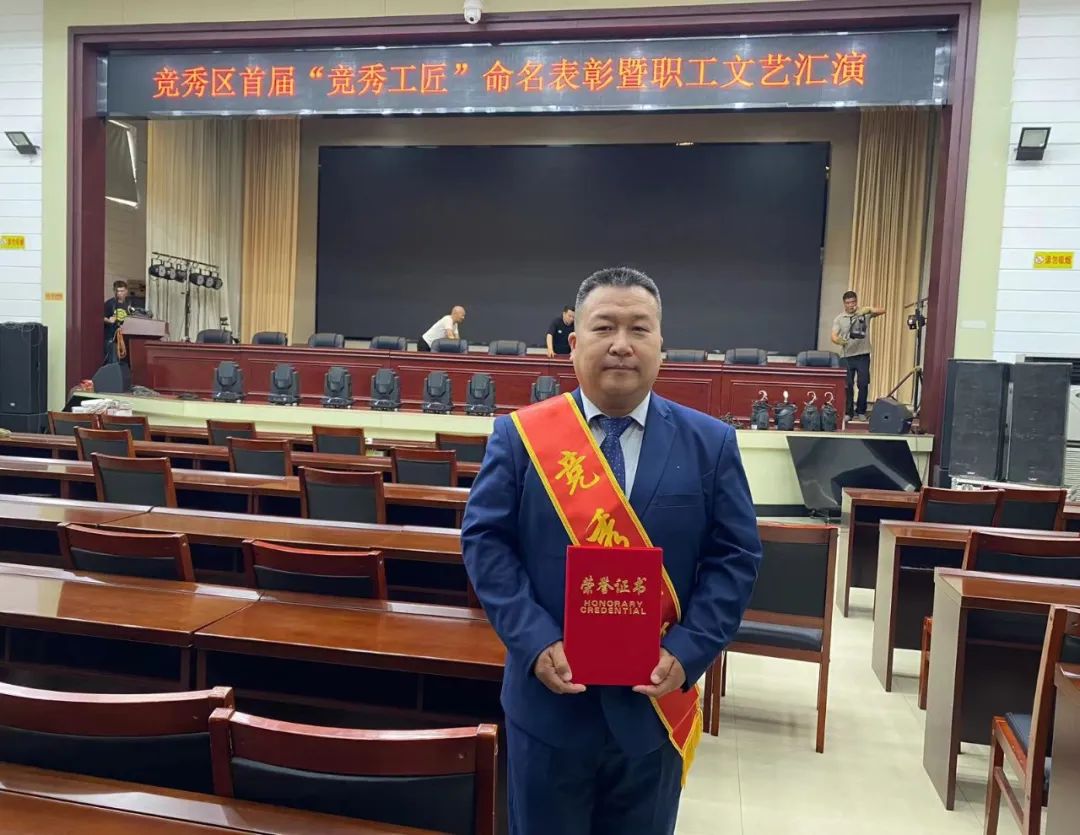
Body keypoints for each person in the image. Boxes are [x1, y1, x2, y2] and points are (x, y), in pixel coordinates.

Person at [462, 267, 761, 835]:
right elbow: (486, 541)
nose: (622, 344)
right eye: (605, 328)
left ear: (661, 346)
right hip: (547, 705)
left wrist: (689, 651)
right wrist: (534, 640)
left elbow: (735, 558)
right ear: (574, 344)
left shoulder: (711, 443)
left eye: (639, 329)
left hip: (653, 707)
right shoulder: (522, 437)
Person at [831, 290, 886, 420]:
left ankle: (861, 411)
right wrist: (838, 340)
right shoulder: (839, 319)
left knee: (863, 383)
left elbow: (883, 310)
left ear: (856, 302)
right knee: (848, 385)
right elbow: (833, 335)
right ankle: (848, 413)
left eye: (853, 302)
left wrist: (869, 309)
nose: (851, 305)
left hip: (863, 355)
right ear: (844, 304)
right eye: (848, 303)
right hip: (846, 356)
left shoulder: (864, 314)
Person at [103, 280, 132, 364]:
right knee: (113, 361)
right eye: (118, 291)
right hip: (112, 338)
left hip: (125, 338)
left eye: (122, 291)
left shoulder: (129, 303)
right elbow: (100, 317)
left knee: (125, 362)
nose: (120, 293)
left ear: (126, 291)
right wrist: (109, 320)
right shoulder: (109, 303)